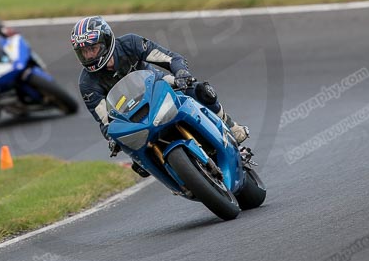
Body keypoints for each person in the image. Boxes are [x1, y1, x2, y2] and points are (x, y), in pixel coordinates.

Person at [71, 16, 249, 177]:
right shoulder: (87, 83)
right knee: (139, 164)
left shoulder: (130, 43)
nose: (89, 55)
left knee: (200, 90)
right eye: (83, 52)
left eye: (93, 48)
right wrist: (112, 139)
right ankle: (172, 175)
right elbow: (104, 121)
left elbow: (170, 58)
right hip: (129, 115)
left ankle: (230, 126)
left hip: (157, 85)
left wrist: (181, 73)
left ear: (107, 41)